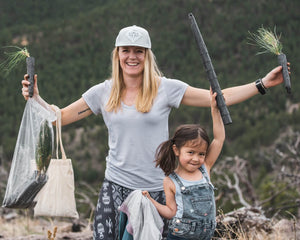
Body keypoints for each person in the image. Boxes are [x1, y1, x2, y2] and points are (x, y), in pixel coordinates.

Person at [21, 25, 290, 240]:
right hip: (115, 188)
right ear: (117, 54)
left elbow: (217, 97)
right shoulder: (102, 92)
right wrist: (36, 99)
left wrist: (262, 84)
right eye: (126, 50)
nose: (132, 56)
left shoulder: (166, 88)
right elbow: (60, 118)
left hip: (159, 192)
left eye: (139, 51)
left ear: (147, 55)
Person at [142, 89, 224, 240]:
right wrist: (150, 201)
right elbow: (171, 212)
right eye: (191, 152)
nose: (196, 159)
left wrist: (214, 110)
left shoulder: (205, 168)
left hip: (205, 236)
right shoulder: (170, 180)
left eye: (201, 154)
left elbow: (218, 139)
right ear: (177, 150)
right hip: (180, 236)